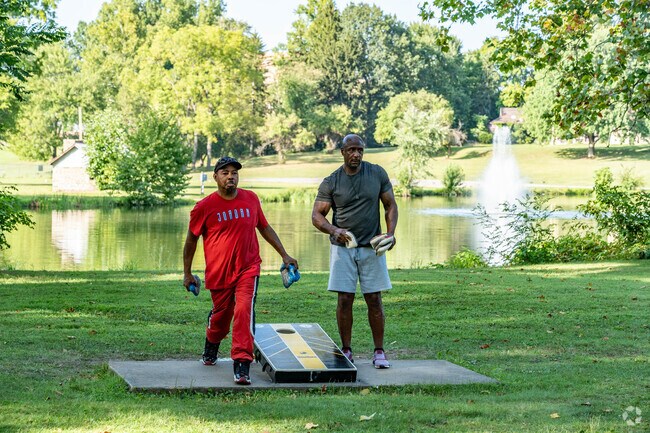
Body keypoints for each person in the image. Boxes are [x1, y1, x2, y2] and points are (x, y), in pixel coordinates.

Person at [183, 156, 298, 385]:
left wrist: (285, 254)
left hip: (248, 268)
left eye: (234, 172)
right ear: (215, 177)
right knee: (221, 318)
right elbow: (191, 241)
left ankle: (241, 363)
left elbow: (264, 227)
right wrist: (187, 272)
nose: (230, 176)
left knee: (244, 311)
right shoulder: (203, 207)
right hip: (218, 273)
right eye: (225, 172)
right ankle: (211, 344)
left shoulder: (251, 199)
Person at [311, 134, 398, 368]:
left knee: (374, 299)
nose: (356, 154)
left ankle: (379, 351)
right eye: (351, 150)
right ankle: (346, 350)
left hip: (372, 247)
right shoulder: (332, 181)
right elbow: (317, 215)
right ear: (342, 152)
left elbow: (390, 205)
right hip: (343, 248)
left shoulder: (377, 173)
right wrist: (333, 230)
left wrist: (390, 233)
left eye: (360, 150)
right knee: (345, 299)